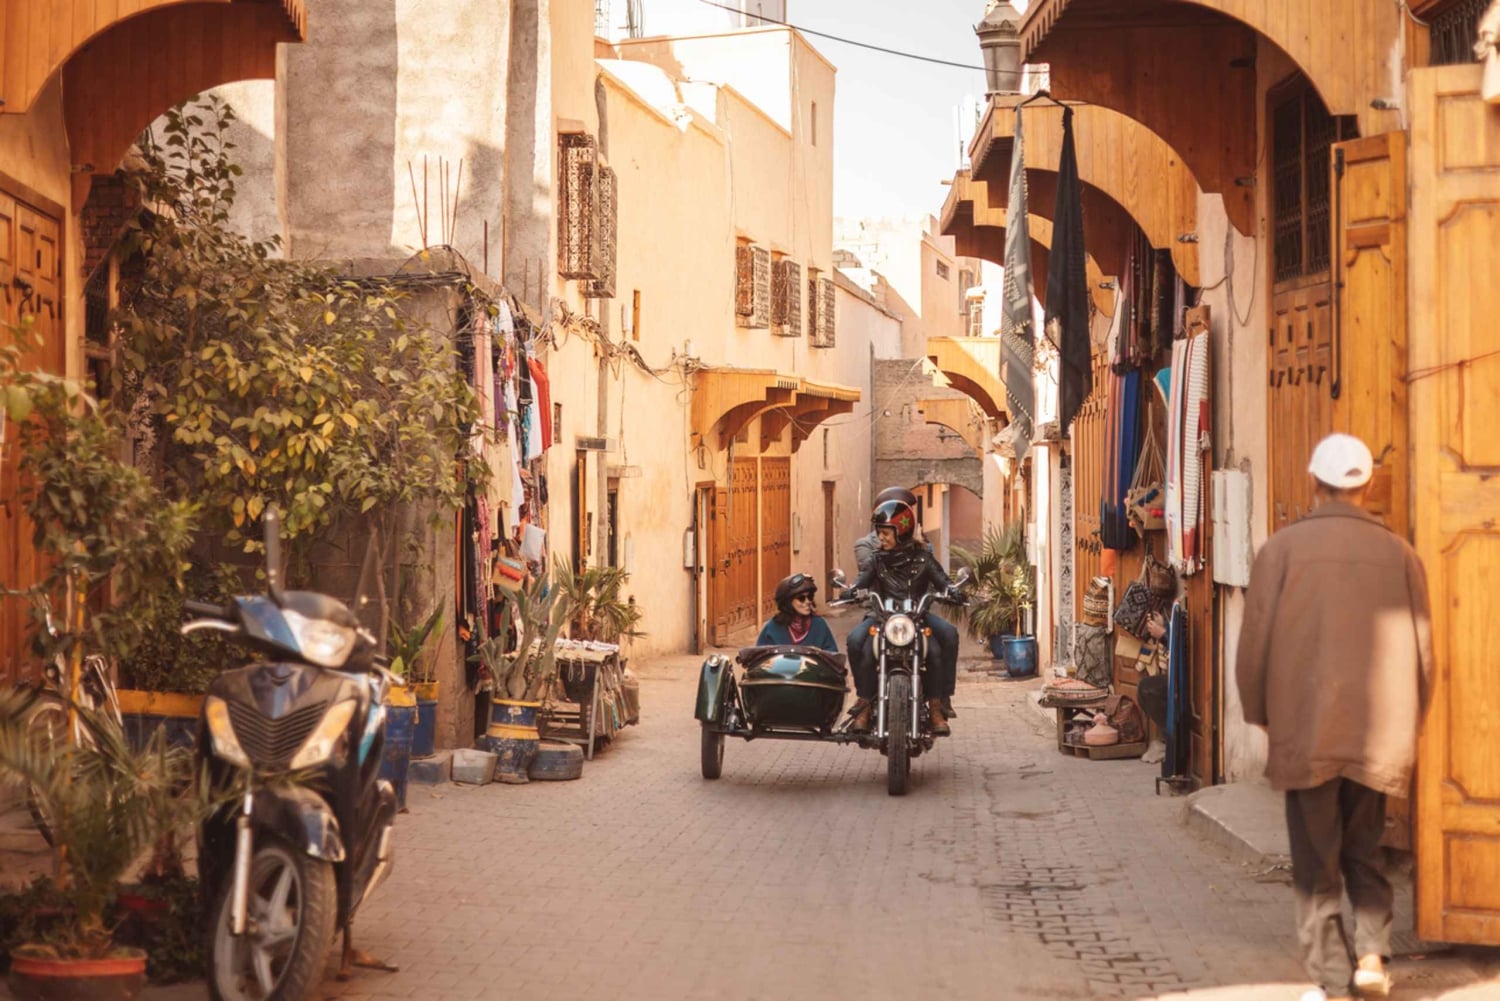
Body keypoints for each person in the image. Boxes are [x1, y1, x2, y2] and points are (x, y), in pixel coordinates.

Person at [1235, 433, 1433, 1001]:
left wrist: (1260, 713)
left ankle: (1331, 977)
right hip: (1379, 732)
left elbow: (1255, 647)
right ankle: (1372, 953)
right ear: (1366, 485)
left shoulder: (1281, 550)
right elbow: (1424, 654)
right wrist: (1411, 723)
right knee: (1366, 847)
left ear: (1313, 483)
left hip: (1307, 728)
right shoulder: (1401, 553)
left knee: (1315, 856)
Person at [843, 495, 959, 736]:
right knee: (856, 642)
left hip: (916, 617)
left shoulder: (923, 557)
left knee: (944, 640)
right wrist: (850, 591)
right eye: (880, 532)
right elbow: (861, 580)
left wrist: (953, 591)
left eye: (886, 532)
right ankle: (864, 701)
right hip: (882, 617)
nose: (881, 537)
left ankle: (939, 704)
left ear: (902, 532)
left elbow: (942, 580)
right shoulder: (876, 559)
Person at [756, 572, 839, 653]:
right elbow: (759, 659)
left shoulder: (819, 624)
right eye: (801, 598)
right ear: (788, 602)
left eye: (810, 597)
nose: (807, 601)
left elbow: (833, 657)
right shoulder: (772, 627)